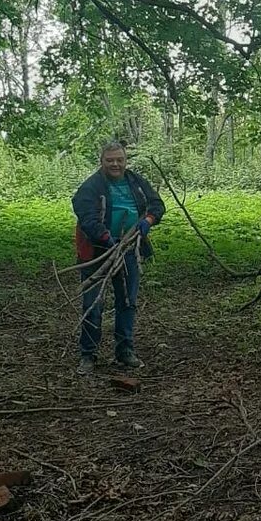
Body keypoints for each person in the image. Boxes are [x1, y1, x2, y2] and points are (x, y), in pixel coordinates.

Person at [72, 141, 165, 374]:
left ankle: (125, 350)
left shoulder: (136, 181)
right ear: (102, 161)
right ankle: (88, 354)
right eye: (110, 160)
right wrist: (105, 238)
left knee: (127, 302)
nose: (115, 164)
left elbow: (157, 205)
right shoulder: (92, 186)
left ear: (125, 161)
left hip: (129, 250)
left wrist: (147, 221)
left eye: (119, 160)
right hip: (97, 251)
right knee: (93, 304)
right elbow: (86, 216)